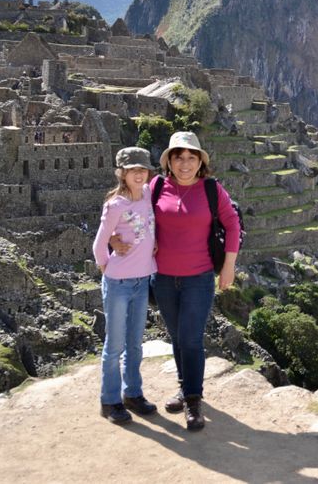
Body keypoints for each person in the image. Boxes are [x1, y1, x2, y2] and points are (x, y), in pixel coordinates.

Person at [111, 131, 240, 431]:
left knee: (191, 338)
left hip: (199, 276)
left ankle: (194, 399)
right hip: (164, 277)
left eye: (191, 157)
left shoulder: (211, 189)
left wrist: (229, 267)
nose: (185, 163)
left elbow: (232, 223)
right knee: (177, 337)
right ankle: (185, 388)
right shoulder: (156, 186)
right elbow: (129, 209)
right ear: (169, 160)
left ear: (200, 161)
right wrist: (114, 237)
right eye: (178, 157)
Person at [91, 147, 158, 425]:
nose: (139, 173)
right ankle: (110, 401)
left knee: (135, 344)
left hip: (142, 281)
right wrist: (107, 267)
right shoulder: (115, 205)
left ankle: (132, 393)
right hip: (118, 283)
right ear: (122, 173)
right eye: (133, 170)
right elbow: (99, 243)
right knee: (115, 345)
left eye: (143, 169)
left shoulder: (148, 196)